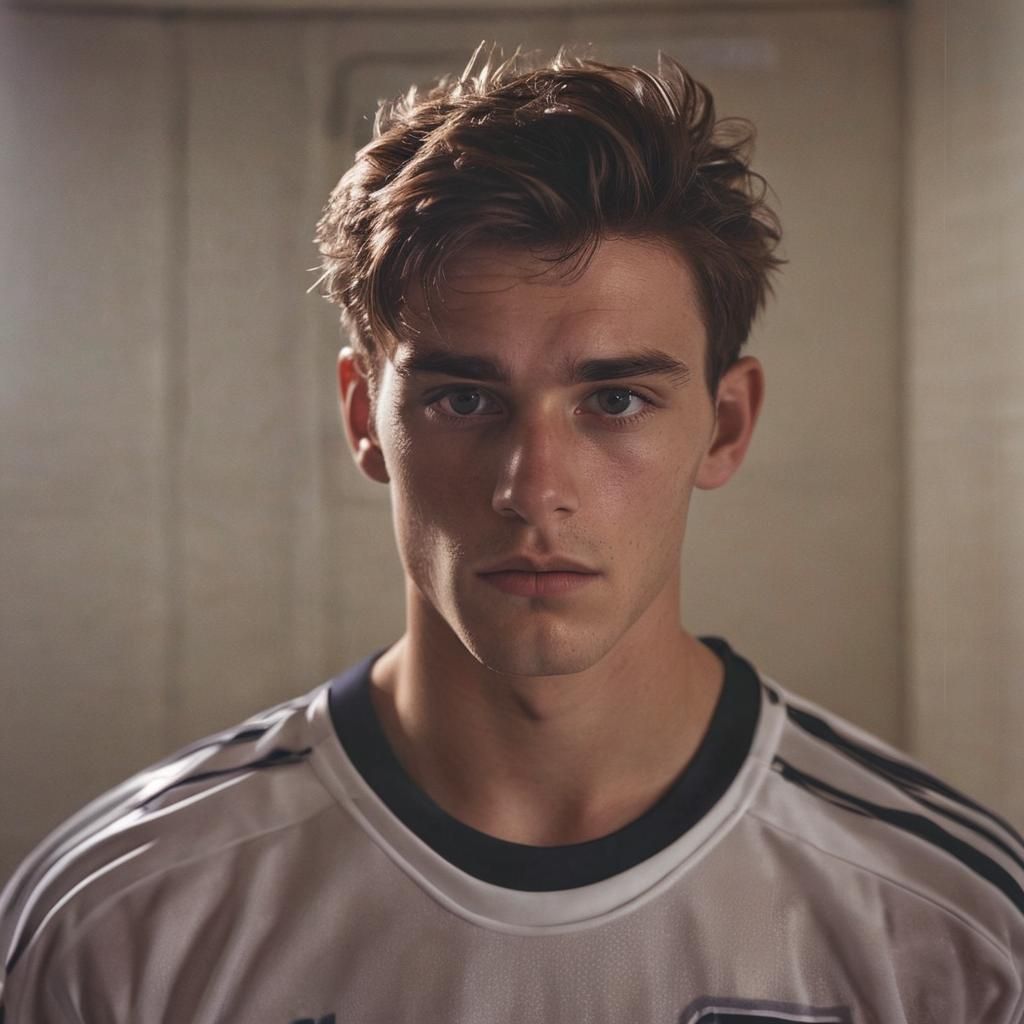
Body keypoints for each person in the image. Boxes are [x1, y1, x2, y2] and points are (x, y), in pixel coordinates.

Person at [2, 44, 1022, 1024]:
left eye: (615, 399)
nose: (533, 489)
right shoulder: (116, 911)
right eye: (461, 399)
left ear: (726, 424)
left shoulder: (954, 924)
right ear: (364, 418)